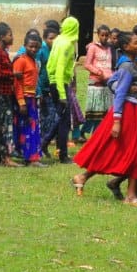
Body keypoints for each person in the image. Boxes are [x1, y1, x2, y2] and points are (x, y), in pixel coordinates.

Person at [73, 32, 137, 206]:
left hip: (135, 110)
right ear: (127, 47)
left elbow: (112, 81)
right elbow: (120, 92)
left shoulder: (132, 64)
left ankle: (83, 176)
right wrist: (117, 120)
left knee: (118, 149)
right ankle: (131, 196)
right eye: (136, 43)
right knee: (133, 152)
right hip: (128, 111)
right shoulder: (127, 67)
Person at [45, 16, 80, 164]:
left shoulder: (59, 40)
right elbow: (59, 69)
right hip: (60, 84)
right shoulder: (67, 45)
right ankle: (63, 155)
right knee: (64, 121)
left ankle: (44, 144)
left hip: (54, 82)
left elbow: (49, 66)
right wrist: (62, 93)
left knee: (59, 119)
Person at [0, 23, 22, 167]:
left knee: (1, 126)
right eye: (10, 35)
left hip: (7, 93)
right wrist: (13, 74)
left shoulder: (4, 52)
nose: (12, 37)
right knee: (3, 126)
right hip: (0, 94)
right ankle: (5, 157)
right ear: (2, 37)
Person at [12, 30, 45, 167]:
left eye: (36, 47)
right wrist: (21, 102)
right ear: (25, 45)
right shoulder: (21, 60)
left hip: (31, 98)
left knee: (32, 127)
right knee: (27, 128)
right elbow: (17, 83)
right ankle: (30, 157)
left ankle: (32, 155)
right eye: (31, 46)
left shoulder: (33, 61)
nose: (34, 49)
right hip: (24, 99)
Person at [83, 24, 114, 138]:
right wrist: (98, 72)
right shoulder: (93, 47)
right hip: (96, 82)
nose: (104, 38)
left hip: (108, 82)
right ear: (98, 35)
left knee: (104, 111)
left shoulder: (110, 48)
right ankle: (88, 133)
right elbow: (87, 64)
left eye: (107, 35)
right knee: (94, 111)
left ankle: (100, 135)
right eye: (102, 35)